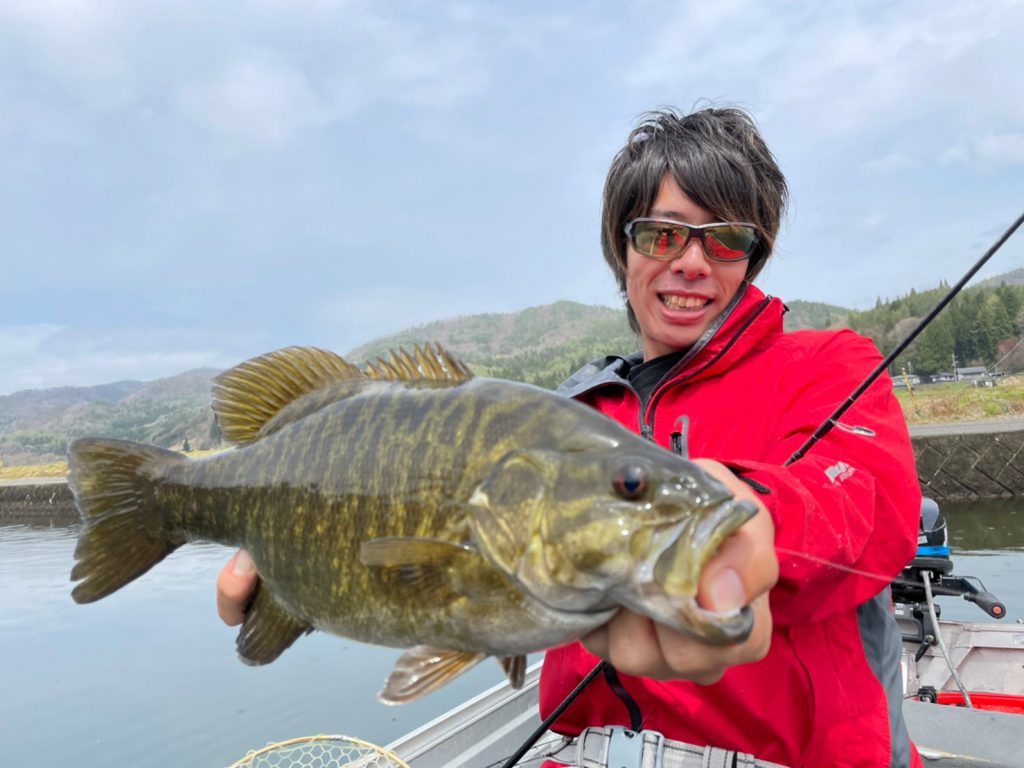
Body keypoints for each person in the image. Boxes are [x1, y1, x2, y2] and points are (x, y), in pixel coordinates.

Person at [217, 107, 923, 768]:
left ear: (754, 254)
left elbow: (868, 506)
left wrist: (748, 516)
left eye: (727, 237)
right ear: (623, 247)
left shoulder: (830, 365)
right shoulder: (567, 413)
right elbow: (441, 581)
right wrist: (305, 571)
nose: (692, 263)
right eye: (663, 233)